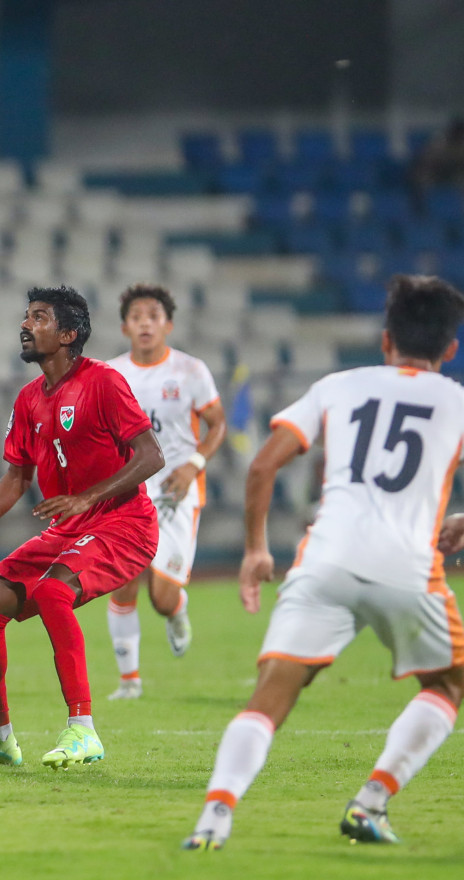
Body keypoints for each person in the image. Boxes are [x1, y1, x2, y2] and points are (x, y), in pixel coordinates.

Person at [183, 274, 464, 850]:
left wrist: (257, 549)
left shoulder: (339, 386)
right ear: (451, 349)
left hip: (326, 557)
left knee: (271, 695)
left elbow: (262, 466)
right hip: (410, 565)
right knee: (449, 684)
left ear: (386, 341)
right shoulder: (456, 400)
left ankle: (214, 815)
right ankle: (371, 802)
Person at [0, 285, 163, 770]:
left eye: (38, 317)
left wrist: (88, 496)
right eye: (26, 316)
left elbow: (152, 456)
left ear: (69, 334)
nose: (25, 325)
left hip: (124, 523)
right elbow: (16, 479)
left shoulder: (105, 382)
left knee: (54, 592)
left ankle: (84, 731)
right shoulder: (30, 398)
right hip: (69, 529)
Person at [104, 284, 226, 698]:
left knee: (162, 597)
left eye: (153, 316)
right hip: (128, 488)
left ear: (167, 325)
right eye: (136, 316)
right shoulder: (111, 374)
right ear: (125, 326)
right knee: (121, 579)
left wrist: (194, 465)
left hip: (177, 487)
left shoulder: (191, 371)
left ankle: (177, 613)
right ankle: (129, 681)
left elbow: (218, 424)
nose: (145, 323)